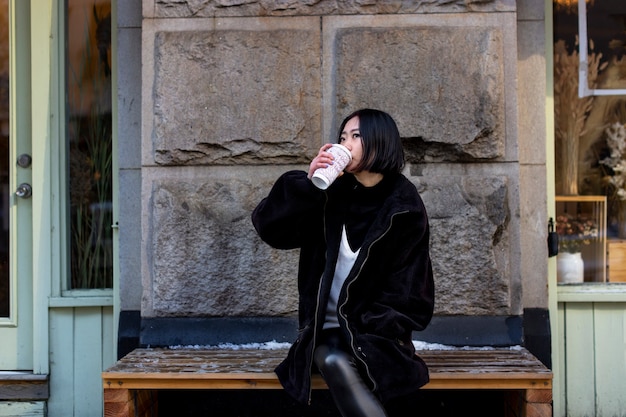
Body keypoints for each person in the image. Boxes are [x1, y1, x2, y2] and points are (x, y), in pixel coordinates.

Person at [251, 108, 434, 417]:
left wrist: (369, 330)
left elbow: (411, 291)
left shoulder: (404, 206)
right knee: (331, 354)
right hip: (323, 330)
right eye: (342, 137)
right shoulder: (328, 196)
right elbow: (271, 228)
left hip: (377, 335)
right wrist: (309, 183)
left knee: (336, 358)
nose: (345, 143)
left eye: (355, 136)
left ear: (380, 141)